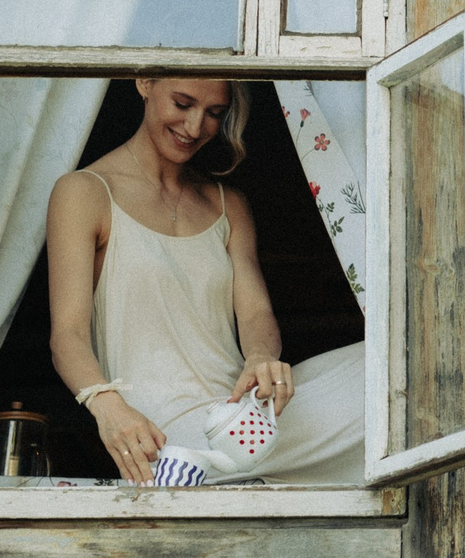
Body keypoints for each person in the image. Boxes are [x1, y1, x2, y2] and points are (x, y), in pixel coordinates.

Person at [46, 77, 363, 485]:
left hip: (239, 419)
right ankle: (192, 467)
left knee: (383, 361)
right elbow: (67, 335)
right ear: (145, 82)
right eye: (182, 104)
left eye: (214, 113)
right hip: (166, 437)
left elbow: (255, 312)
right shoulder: (84, 192)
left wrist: (260, 357)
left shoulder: (227, 203)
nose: (195, 127)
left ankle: (229, 465)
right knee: (388, 384)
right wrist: (106, 406)